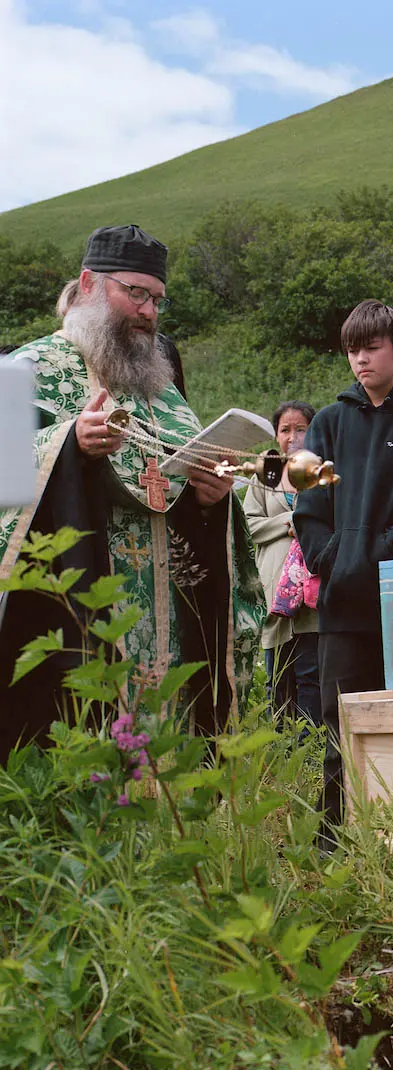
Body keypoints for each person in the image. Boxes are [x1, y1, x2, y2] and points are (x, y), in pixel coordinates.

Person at [0, 225, 264, 753]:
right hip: (75, 616)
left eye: (158, 299)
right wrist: (68, 444)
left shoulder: (160, 388)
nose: (148, 311)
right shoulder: (23, 369)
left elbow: (181, 491)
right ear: (90, 285)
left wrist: (210, 497)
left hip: (167, 618)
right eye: (135, 293)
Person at [294, 300, 393, 850]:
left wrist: (378, 559)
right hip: (342, 605)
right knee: (341, 724)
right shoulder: (328, 423)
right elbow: (308, 511)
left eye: (370, 348)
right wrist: (334, 560)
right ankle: (334, 839)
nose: (359, 360)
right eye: (351, 350)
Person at [244, 402, 321, 731]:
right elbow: (250, 525)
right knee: (277, 672)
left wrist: (309, 525)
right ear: (276, 436)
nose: (293, 436)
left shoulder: (322, 473)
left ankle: (312, 739)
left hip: (311, 585)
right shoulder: (265, 475)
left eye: (301, 428)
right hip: (276, 586)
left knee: (311, 671)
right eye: (285, 430)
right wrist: (290, 519)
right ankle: (281, 741)